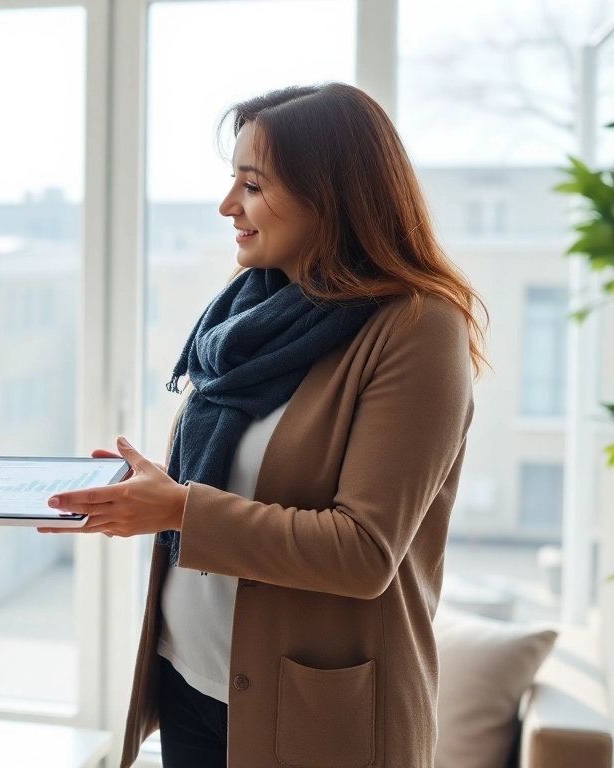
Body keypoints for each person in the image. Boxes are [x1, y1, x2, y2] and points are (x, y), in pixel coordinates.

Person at [43, 83, 484, 768]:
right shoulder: (249, 312)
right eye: (233, 182)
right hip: (191, 685)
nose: (228, 207)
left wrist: (182, 508)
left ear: (332, 194)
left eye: (252, 185)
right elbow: (236, 485)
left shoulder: (417, 326)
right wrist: (151, 496)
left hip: (315, 719)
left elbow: (363, 551)